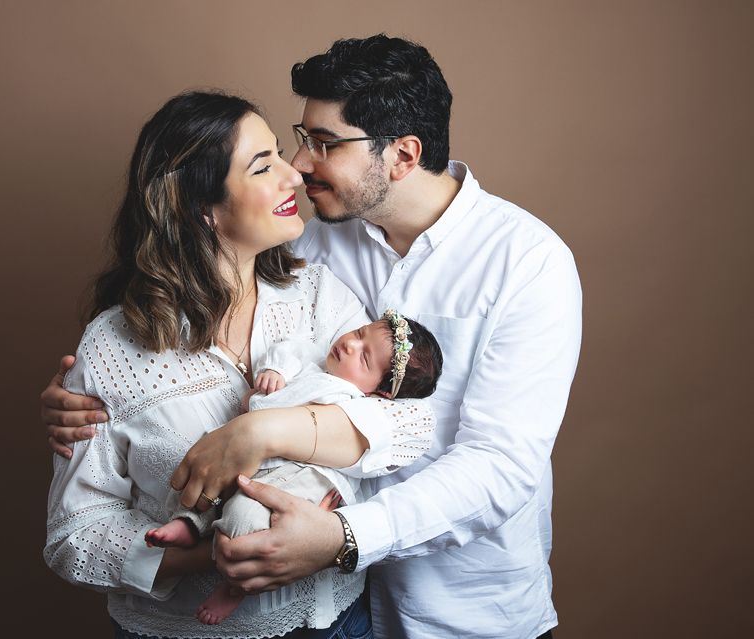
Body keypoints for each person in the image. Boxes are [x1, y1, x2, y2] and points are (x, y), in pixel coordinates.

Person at [43, 35, 582, 639]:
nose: (298, 168)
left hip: (460, 604)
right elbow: (188, 291)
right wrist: (88, 398)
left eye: (322, 144)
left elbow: (497, 464)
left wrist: (329, 522)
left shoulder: (525, 262)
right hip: (340, 604)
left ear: (403, 155)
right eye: (300, 141)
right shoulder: (307, 241)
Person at [43, 89, 437, 639]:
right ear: (198, 207)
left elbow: (410, 428)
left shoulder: (319, 295)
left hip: (334, 624)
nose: (295, 176)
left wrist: (266, 429)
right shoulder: (113, 346)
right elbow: (74, 536)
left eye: (280, 155)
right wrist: (217, 552)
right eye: (262, 166)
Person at [147, 310, 443, 625]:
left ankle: (235, 587)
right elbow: (291, 349)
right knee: (208, 476)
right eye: (358, 333)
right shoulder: (315, 362)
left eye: (365, 358)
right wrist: (275, 370)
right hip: (254, 456)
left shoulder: (352, 399)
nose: (350, 345)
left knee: (245, 514)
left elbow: (386, 434)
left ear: (382, 392)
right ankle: (188, 524)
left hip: (300, 476)